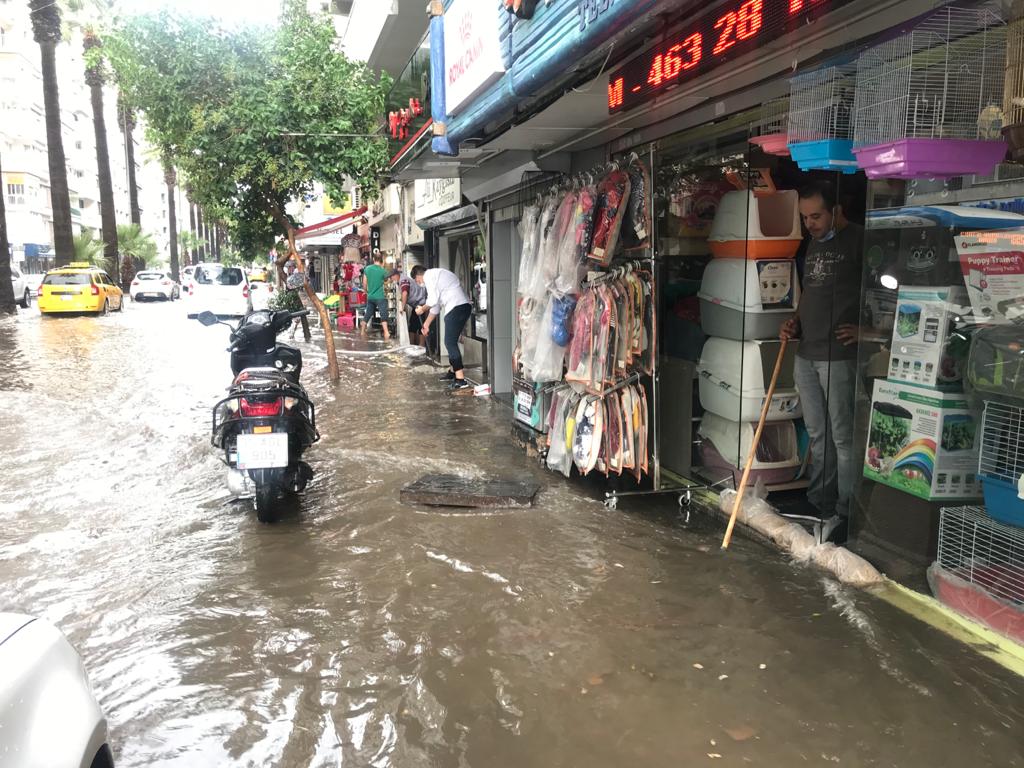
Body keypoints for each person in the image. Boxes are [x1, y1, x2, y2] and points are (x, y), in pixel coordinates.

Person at [780, 180, 864, 541]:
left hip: (838, 354)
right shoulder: (814, 243)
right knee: (818, 434)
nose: (810, 224)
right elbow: (811, 291)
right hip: (808, 351)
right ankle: (820, 503)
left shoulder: (860, 240)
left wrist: (868, 330)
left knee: (842, 436)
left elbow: (884, 288)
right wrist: (795, 320)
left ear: (837, 212)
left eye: (816, 216)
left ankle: (846, 511)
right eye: (805, 217)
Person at [413, 265, 473, 391]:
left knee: (449, 342)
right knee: (452, 342)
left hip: (456, 307)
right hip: (463, 307)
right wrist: (426, 324)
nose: (419, 284)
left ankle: (460, 379)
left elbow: (432, 300)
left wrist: (421, 309)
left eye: (418, 281)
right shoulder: (437, 277)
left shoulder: (428, 275)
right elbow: (436, 306)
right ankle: (453, 372)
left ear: (419, 276)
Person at [361, 252, 390, 340]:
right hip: (380, 296)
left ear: (373, 259)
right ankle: (386, 332)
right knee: (383, 314)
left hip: (371, 296)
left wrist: (366, 291)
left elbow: (364, 283)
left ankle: (362, 331)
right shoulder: (383, 271)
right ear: (382, 260)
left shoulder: (367, 269)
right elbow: (387, 281)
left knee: (368, 313)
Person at [399, 265, 428, 346]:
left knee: (421, 326)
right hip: (416, 306)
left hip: (422, 305)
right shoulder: (414, 281)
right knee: (413, 326)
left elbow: (405, 293)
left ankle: (421, 345)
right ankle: (412, 345)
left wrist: (403, 307)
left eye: (416, 279)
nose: (416, 281)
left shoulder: (405, 280)